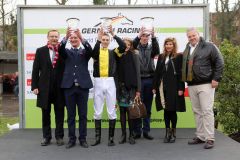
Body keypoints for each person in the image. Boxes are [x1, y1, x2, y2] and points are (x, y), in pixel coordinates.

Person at [182, 28, 224, 149]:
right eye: (189, 36)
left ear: (198, 34)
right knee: (197, 112)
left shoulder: (209, 46)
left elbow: (219, 62)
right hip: (191, 84)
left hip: (206, 83)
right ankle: (200, 136)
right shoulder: (187, 48)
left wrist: (216, 78)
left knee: (207, 111)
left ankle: (209, 138)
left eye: (193, 35)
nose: (192, 38)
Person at [91, 26, 126, 147]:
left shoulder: (114, 52)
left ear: (109, 41)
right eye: (103, 40)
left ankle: (111, 138)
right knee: (98, 111)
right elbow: (93, 53)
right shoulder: (97, 51)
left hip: (111, 82)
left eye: (107, 40)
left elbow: (123, 47)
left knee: (111, 111)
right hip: (98, 81)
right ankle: (97, 138)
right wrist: (98, 39)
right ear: (101, 40)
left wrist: (113, 34)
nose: (105, 41)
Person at [59, 29, 93, 149]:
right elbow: (60, 49)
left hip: (83, 87)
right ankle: (71, 139)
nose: (73, 40)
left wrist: (81, 36)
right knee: (71, 115)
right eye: (71, 38)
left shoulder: (85, 52)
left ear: (79, 40)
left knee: (83, 115)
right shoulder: (66, 52)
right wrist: (66, 37)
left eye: (75, 38)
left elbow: (91, 50)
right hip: (69, 87)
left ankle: (83, 139)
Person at [31, 29, 65, 146]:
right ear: (48, 37)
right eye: (52, 36)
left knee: (59, 113)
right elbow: (35, 70)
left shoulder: (63, 51)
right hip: (44, 88)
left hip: (60, 89)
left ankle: (59, 137)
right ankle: (46, 137)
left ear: (59, 38)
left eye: (56, 36)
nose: (54, 38)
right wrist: (34, 86)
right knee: (45, 114)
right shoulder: (40, 51)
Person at [152, 37, 186, 143]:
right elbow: (157, 73)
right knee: (166, 110)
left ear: (174, 45)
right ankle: (167, 133)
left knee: (172, 110)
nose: (168, 46)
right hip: (162, 87)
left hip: (174, 87)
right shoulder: (161, 57)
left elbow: (181, 73)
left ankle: (173, 132)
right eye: (167, 44)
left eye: (170, 44)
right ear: (165, 45)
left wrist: (181, 88)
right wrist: (154, 87)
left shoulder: (178, 56)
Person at [132, 27, 160, 140]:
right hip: (138, 81)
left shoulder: (151, 48)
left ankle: (146, 131)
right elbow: (131, 45)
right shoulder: (135, 49)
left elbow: (157, 51)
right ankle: (137, 131)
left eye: (146, 36)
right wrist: (138, 35)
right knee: (138, 106)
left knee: (147, 107)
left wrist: (153, 37)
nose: (144, 38)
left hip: (149, 80)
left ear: (148, 38)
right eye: (142, 36)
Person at [116, 38, 141, 145]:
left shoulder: (134, 55)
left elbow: (137, 73)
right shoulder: (118, 56)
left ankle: (131, 135)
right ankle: (123, 135)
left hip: (131, 88)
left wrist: (138, 90)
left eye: (128, 44)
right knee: (122, 112)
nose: (126, 46)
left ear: (131, 46)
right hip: (121, 88)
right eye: (124, 44)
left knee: (130, 112)